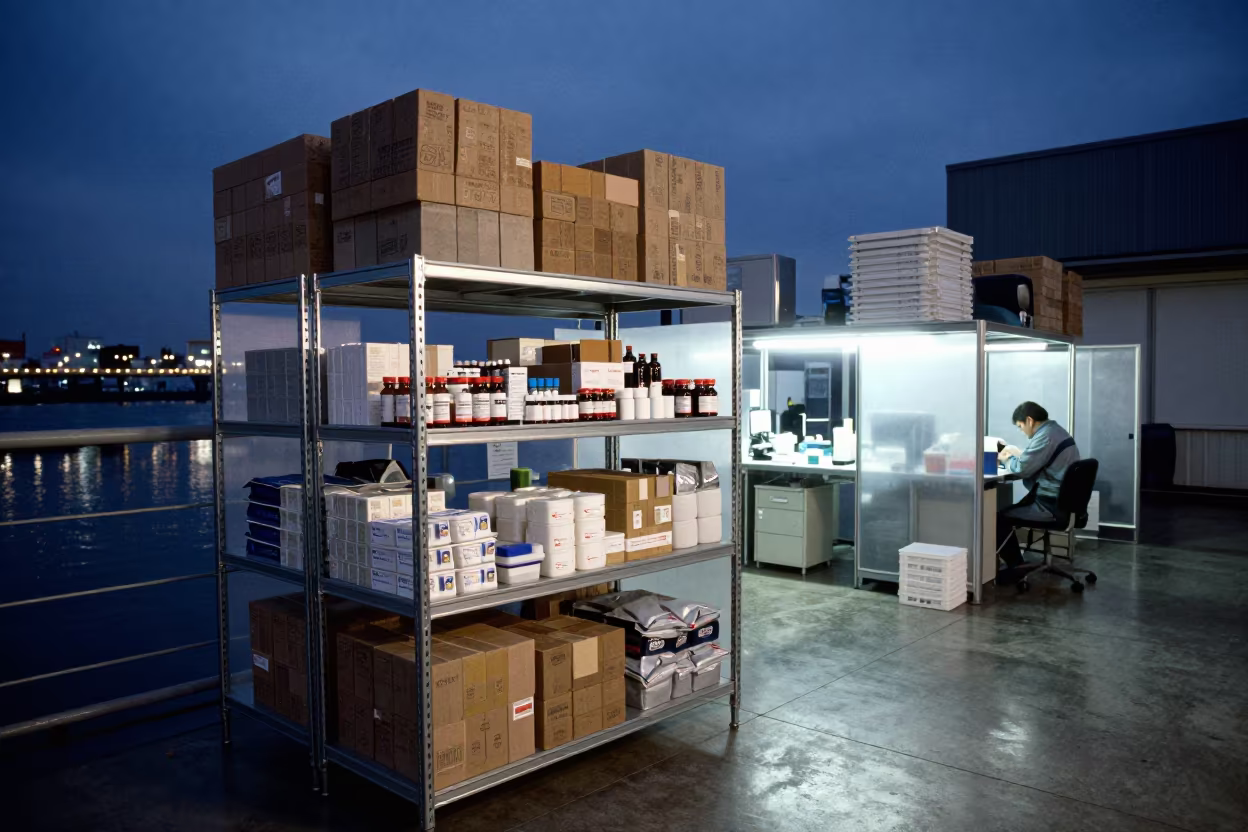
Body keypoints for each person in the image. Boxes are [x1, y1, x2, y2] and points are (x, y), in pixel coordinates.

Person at [995, 401, 1080, 582]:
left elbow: (1022, 470)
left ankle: (1016, 566)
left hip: (1051, 507)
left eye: (1020, 427)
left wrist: (1005, 459)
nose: (1022, 431)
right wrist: (1021, 455)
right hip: (1062, 504)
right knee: (1007, 512)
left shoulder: (1046, 436)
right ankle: (1016, 562)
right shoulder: (1055, 431)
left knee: (998, 519)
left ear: (1029, 420)